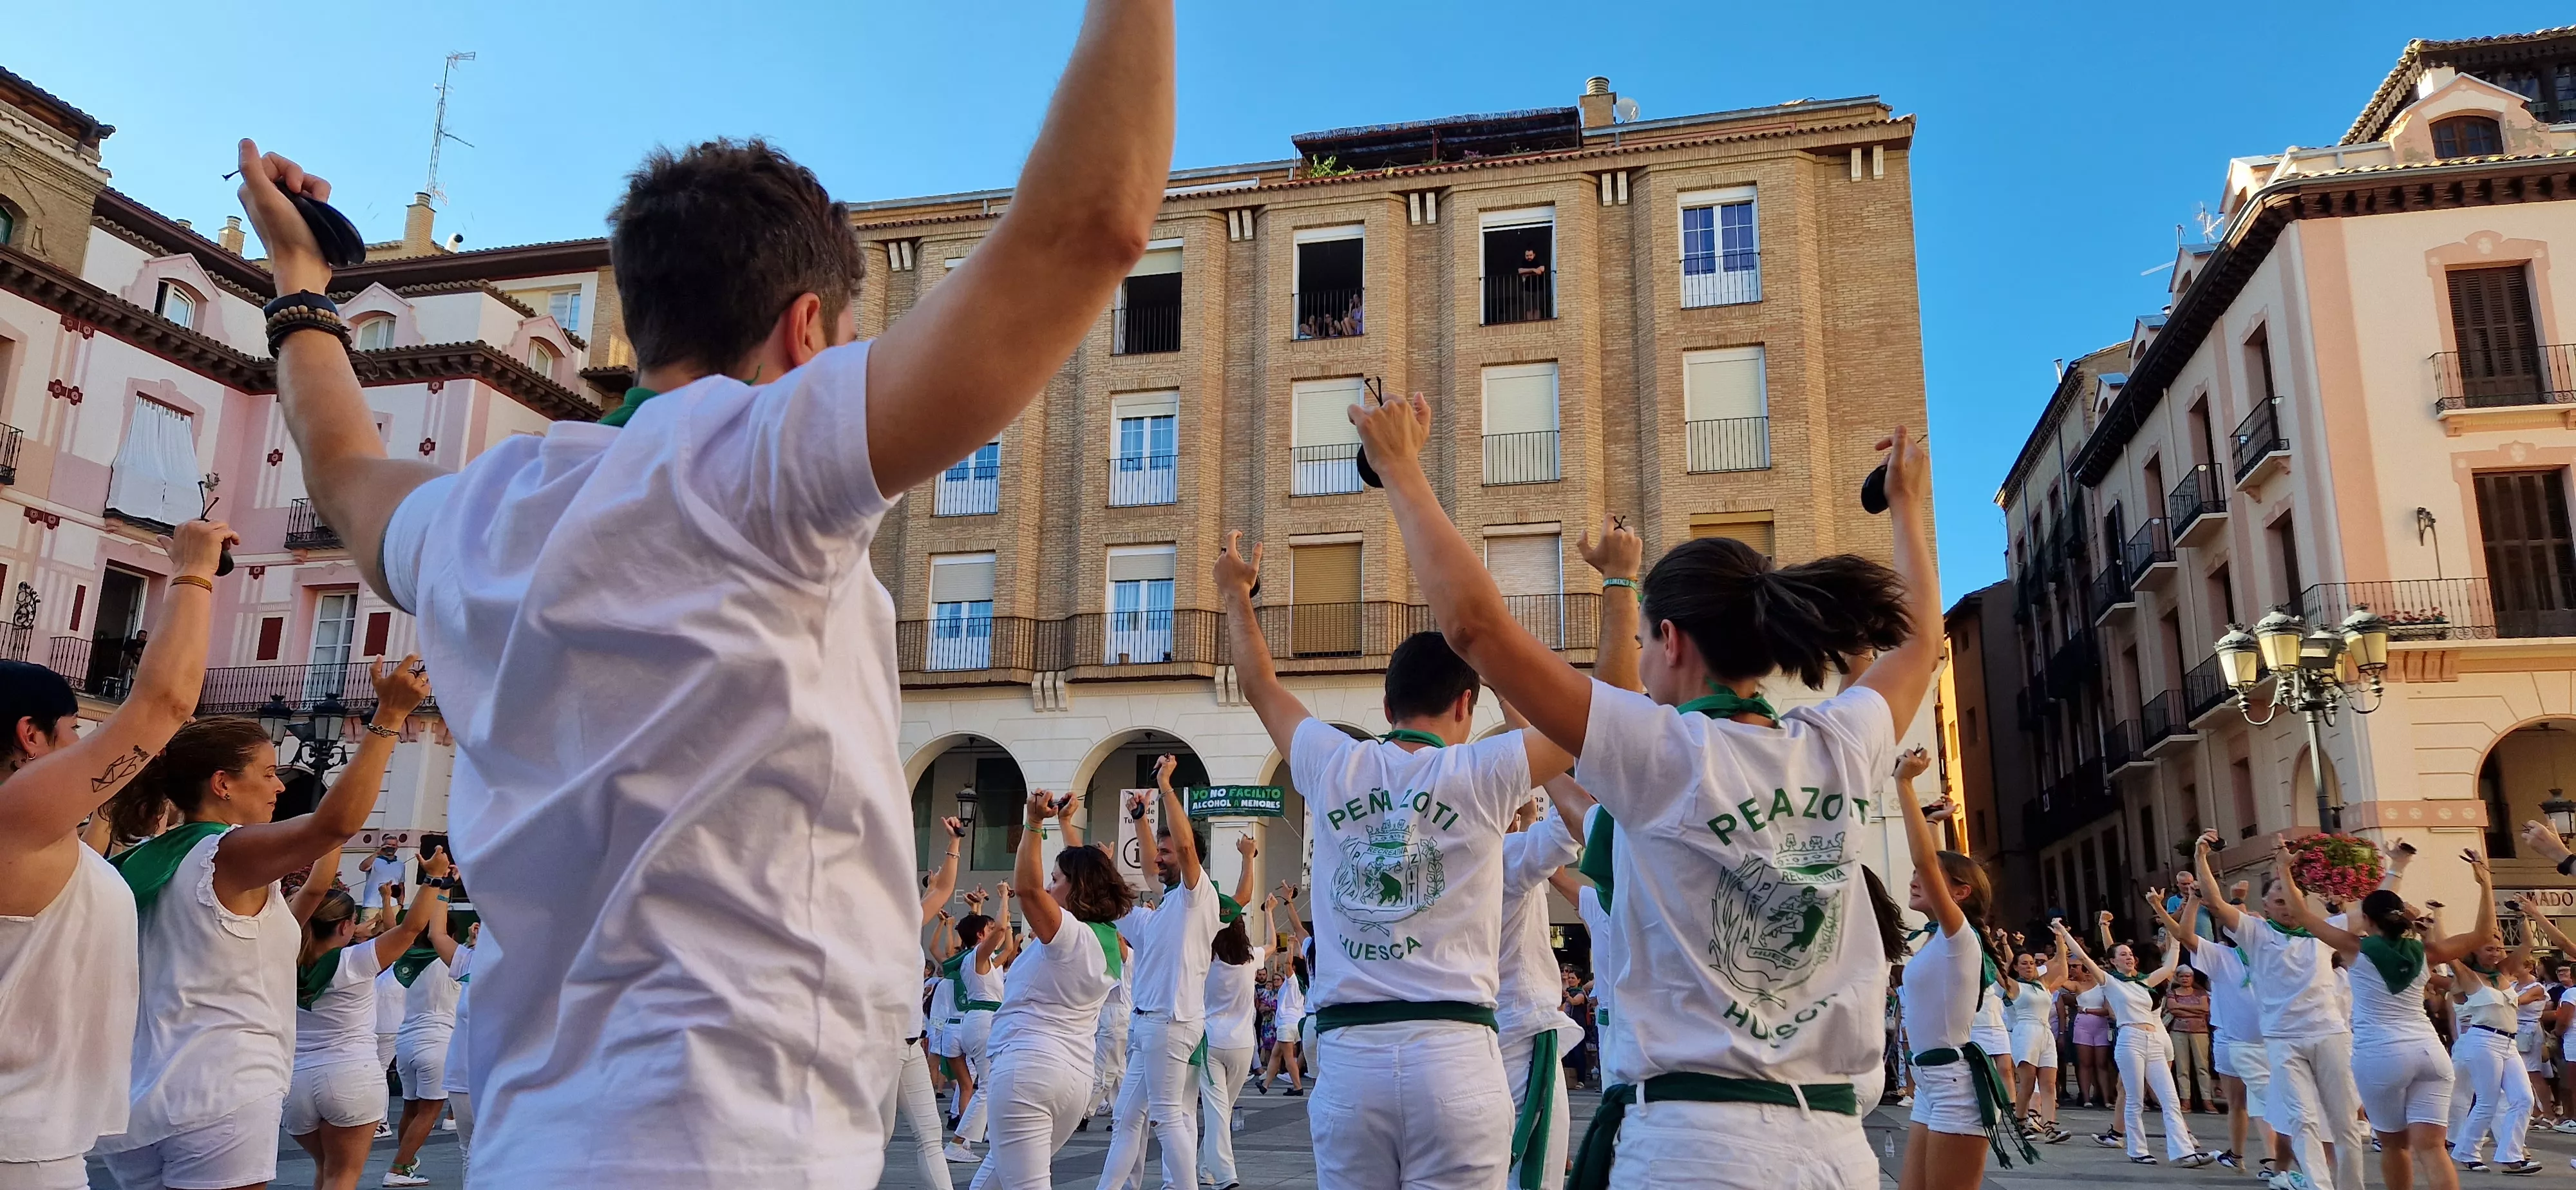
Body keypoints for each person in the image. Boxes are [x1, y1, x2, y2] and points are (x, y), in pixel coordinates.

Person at [230, 1, 1175, 1181]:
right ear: (807, 328)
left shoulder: (482, 509)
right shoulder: (761, 460)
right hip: (733, 1140)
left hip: (535, 1140)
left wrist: (301, 281)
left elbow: (338, 459)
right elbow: (1091, 227)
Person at [1361, 388, 1940, 1189]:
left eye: (1642, 641)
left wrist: (1399, 467)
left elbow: (1476, 631)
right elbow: (1920, 645)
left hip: (1694, 1150)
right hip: (1838, 1153)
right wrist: (1908, 508)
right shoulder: (1839, 743)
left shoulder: (1666, 753)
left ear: (1669, 641)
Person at [1215, 527, 1585, 1189]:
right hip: (1457, 1055)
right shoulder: (1481, 770)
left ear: (1386, 707)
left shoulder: (1334, 761)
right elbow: (1582, 721)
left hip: (1350, 1058)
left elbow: (1258, 683)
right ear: (1467, 706)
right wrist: (1510, 674)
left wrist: (1235, 593)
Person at [92, 657, 429, 1190]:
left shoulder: (138, 860)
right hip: (222, 1088)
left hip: (135, 1096)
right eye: (269, 773)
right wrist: (388, 717)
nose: (278, 787)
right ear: (223, 783)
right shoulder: (228, 852)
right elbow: (334, 823)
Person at [0, 518, 231, 1188]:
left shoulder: (42, 834)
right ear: (32, 735)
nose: (82, 744)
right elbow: (164, 702)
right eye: (74, 729)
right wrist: (192, 572)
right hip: (20, 1147)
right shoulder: (18, 817)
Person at [2275, 844, 2494, 1190]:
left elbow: (2302, 916)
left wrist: (2284, 869)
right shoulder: (2427, 952)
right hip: (2430, 1053)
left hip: (2380, 1055)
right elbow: (2483, 935)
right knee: (2434, 1148)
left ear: (2367, 920)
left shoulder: (2355, 949)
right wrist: (2485, 884)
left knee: (2395, 1146)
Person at [967, 790, 1132, 1190]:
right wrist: (1066, 828)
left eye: (1056, 881)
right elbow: (1081, 881)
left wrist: (1034, 824)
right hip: (1070, 1079)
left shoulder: (1069, 938)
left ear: (1076, 892)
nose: (1048, 885)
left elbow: (1028, 891)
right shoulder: (1110, 941)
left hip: (1028, 1070)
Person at [1891, 743, 2034, 1190]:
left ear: (1961, 895)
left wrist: (1905, 784)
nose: (1916, 880)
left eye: (1931, 880)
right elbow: (1931, 865)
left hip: (1955, 1085)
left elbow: (1924, 862)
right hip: (1931, 1082)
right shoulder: (1939, 939)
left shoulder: (1961, 940)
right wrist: (1934, 825)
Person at [2196, 829, 2367, 1190]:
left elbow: (2364, 916)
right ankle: (2319, 1185)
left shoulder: (2323, 931)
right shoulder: (2255, 932)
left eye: (2292, 899)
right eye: (2278, 899)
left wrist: (2388, 869)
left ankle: (2351, 1186)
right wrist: (2201, 857)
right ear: (2267, 906)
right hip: (2282, 1038)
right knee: (2302, 1118)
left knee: (2344, 1121)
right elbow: (2215, 902)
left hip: (2329, 1034)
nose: (2286, 904)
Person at [284, 858, 452, 1190]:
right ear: (346, 926)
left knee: (324, 1172)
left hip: (296, 1083)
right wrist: (434, 878)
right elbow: (410, 929)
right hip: (351, 1076)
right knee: (342, 1177)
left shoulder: (281, 960)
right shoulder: (354, 961)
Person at [1099, 757, 1220, 1190]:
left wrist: (1166, 786)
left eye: (1167, 853)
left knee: (1169, 1117)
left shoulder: (1196, 894)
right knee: (1127, 1117)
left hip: (1170, 1022)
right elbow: (1151, 867)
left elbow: (1183, 850)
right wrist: (1139, 821)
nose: (1159, 859)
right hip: (1148, 1023)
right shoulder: (1166, 905)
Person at [2072, 898, 2209, 1167]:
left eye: (2130, 954)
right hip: (2130, 1040)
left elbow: (2170, 966)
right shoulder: (2110, 981)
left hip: (2156, 1040)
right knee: (2133, 1097)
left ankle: (2182, 1151)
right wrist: (2064, 934)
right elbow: (2088, 958)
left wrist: (2175, 934)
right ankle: (2137, 1149)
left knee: (2169, 1098)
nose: (2129, 957)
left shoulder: (2145, 982)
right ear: (2112, 962)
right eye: (2122, 955)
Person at [2172, 876, 2284, 1178]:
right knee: (2239, 1103)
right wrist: (2194, 900)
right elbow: (2186, 936)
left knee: (2266, 1101)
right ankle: (2237, 1154)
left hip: (2271, 1041)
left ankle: (2273, 1160)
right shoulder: (2223, 956)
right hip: (2232, 1040)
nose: (2257, 925)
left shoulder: (2269, 954)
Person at [1502, 789, 1584, 1190]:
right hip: (1520, 1036)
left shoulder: (1445, 857)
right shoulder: (1505, 857)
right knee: (1532, 1172)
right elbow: (1573, 824)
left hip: (1462, 1034)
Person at [383, 855, 470, 1187]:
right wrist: (449, 889)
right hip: (437, 1043)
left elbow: (402, 929)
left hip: (405, 1042)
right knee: (430, 1112)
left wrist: (434, 886)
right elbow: (440, 932)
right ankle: (399, 1167)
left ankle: (403, 1160)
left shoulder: (407, 957)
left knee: (410, 1108)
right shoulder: (455, 963)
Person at [899, 820, 965, 1189]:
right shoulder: (877, 925)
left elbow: (943, 888)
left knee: (930, 1136)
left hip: (909, 1046)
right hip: (881, 1044)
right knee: (868, 1139)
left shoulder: (906, 920)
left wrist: (954, 843)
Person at [1199, 878, 1274, 1190]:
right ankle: (1206, 1169)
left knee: (1217, 1111)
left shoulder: (1207, 957)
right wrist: (1270, 912)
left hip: (1211, 1040)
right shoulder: (1250, 957)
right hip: (1244, 1045)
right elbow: (1272, 946)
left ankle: (1225, 1175)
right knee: (1223, 1110)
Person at [946, 887, 1018, 1162]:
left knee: (993, 1084)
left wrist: (1005, 911)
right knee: (988, 1086)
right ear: (980, 935)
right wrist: (1003, 897)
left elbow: (1008, 944)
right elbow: (1001, 929)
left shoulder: (983, 960)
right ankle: (957, 1142)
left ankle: (984, 1136)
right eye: (987, 929)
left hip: (983, 1022)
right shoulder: (977, 955)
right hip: (983, 1022)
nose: (993, 931)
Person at [2003, 935, 2069, 1143]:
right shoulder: (2013, 985)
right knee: (2028, 1084)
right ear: (2016, 967)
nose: (2030, 966)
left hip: (2045, 1032)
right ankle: (2021, 1122)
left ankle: (2050, 1127)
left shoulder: (2043, 983)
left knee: (2049, 1084)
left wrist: (2060, 939)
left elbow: (2062, 969)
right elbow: (1996, 970)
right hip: (2025, 1032)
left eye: (2032, 963)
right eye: (2024, 963)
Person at [2164, 965, 2216, 1111]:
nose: (2185, 979)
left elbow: (2205, 1009)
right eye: (2182, 976)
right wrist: (2195, 1011)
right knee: (2182, 1067)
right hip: (2178, 1032)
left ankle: (2207, 1100)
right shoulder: (2172, 993)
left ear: (2192, 978)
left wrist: (2182, 1009)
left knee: (2202, 1067)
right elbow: (2173, 1009)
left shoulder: (2201, 993)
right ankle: (2185, 1099)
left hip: (2200, 1032)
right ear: (2177, 978)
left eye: (2188, 976)